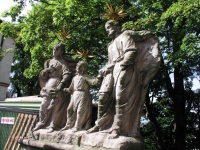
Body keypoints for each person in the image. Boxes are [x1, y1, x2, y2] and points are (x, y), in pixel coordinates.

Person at [97, 20, 159, 139]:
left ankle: (118, 127)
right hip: (113, 70)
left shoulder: (124, 36)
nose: (107, 31)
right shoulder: (110, 45)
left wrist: (124, 63)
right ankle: (101, 125)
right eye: (106, 29)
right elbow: (111, 61)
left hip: (125, 68)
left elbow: (131, 51)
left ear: (116, 26)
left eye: (109, 28)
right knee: (104, 96)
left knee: (121, 98)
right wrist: (105, 69)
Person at [33, 43, 72, 132]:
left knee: (56, 106)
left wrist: (61, 85)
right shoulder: (48, 62)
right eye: (53, 49)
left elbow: (67, 74)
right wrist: (45, 71)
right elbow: (42, 76)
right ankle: (41, 122)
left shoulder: (62, 62)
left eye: (57, 50)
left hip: (57, 84)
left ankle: (53, 125)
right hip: (47, 85)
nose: (54, 51)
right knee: (44, 104)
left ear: (61, 52)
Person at [60, 61, 97, 132]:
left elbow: (93, 82)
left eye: (80, 66)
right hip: (74, 95)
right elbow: (71, 89)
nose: (78, 67)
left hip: (83, 94)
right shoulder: (75, 78)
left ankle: (78, 126)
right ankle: (69, 125)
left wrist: (99, 78)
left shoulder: (86, 77)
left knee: (80, 111)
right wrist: (64, 89)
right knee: (69, 109)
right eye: (77, 66)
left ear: (84, 68)